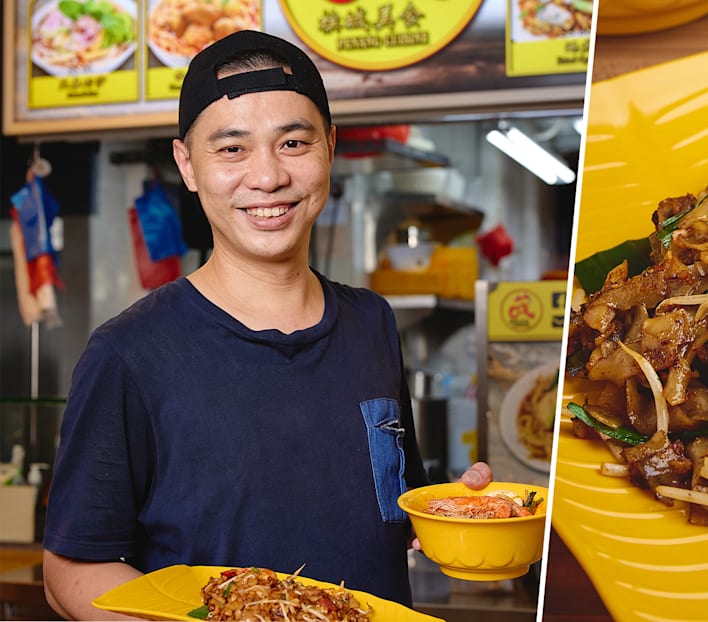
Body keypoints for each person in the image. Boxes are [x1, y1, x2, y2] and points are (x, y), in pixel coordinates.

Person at [41, 29, 493, 620]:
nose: (268, 177)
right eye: (232, 149)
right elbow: (71, 569)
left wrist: (458, 513)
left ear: (329, 146)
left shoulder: (371, 321)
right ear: (188, 165)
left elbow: (387, 510)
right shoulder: (130, 352)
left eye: (294, 143)